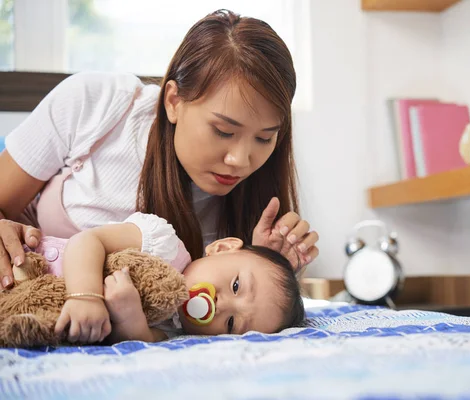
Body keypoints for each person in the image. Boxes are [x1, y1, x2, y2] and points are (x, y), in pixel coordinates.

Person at [0, 9, 319, 290]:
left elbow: (213, 315)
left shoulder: (254, 203)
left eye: (264, 138)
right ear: (173, 101)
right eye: (223, 131)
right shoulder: (97, 104)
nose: (239, 160)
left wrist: (267, 265)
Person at [23, 212, 304, 344]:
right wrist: (85, 295)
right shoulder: (164, 245)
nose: (221, 305)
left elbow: (137, 339)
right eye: (236, 286)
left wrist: (131, 320)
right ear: (222, 248)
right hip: (24, 262)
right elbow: (86, 241)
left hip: (30, 311)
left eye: (231, 323)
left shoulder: (173, 335)